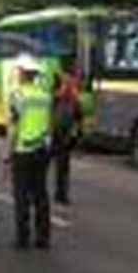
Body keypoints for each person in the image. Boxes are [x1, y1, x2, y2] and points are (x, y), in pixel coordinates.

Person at [7, 55, 52, 250]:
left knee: (22, 195)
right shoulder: (45, 95)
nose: (17, 74)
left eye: (19, 72)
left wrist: (10, 150)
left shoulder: (17, 95)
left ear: (24, 74)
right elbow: (49, 124)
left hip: (23, 149)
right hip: (41, 149)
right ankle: (43, 238)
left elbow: (15, 126)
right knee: (41, 195)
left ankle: (23, 238)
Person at [51, 64, 83, 206]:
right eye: (68, 80)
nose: (71, 83)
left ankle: (61, 194)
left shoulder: (73, 100)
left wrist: (76, 134)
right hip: (53, 134)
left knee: (63, 167)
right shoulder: (55, 96)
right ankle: (55, 193)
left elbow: (78, 118)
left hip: (63, 135)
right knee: (47, 165)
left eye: (72, 81)